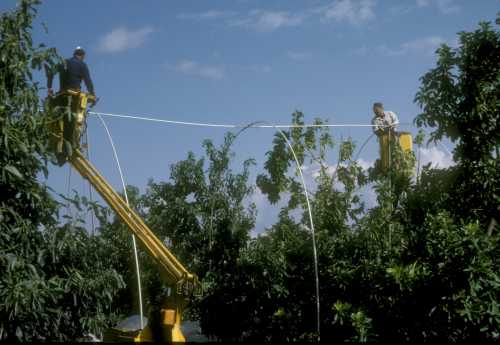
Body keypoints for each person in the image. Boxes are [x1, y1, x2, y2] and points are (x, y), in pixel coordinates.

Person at [371, 102, 399, 172]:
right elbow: (376, 131)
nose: (376, 113)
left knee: (396, 152)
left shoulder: (390, 113)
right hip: (384, 139)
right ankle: (386, 168)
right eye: (375, 111)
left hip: (394, 136)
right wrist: (382, 130)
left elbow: (397, 121)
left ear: (382, 109)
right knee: (385, 155)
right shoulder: (374, 120)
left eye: (377, 111)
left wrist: (391, 125)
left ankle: (397, 165)